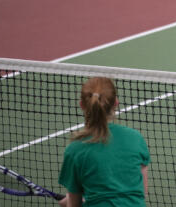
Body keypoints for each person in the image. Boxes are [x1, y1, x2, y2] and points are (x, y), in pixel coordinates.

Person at [58, 77, 150, 206]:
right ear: (116, 103)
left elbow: (74, 205)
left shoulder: (74, 150)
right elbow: (142, 192)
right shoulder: (135, 138)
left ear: (82, 105)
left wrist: (69, 202)